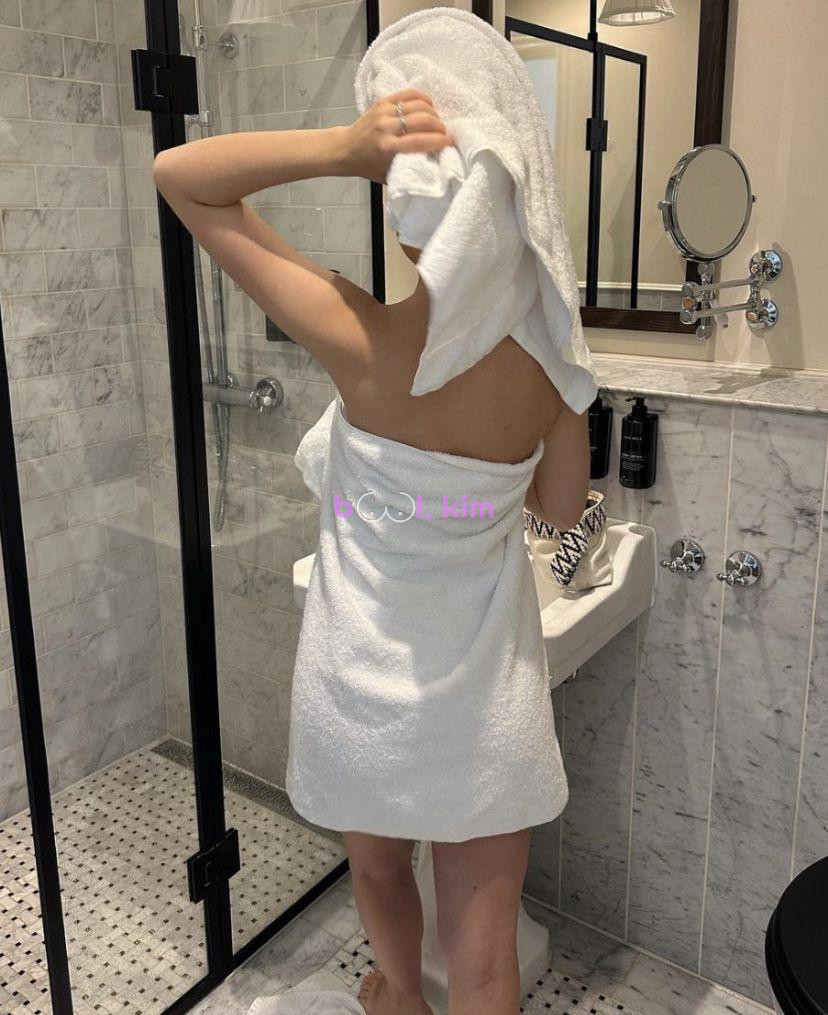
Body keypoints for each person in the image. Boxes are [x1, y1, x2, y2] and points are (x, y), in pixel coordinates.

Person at [153, 89, 589, 1015]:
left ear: (410, 224)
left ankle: (401, 999)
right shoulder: (551, 371)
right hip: (482, 701)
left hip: (364, 689)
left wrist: (345, 147)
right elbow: (559, 510)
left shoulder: (363, 335)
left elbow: (180, 177)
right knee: (485, 955)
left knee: (382, 869)